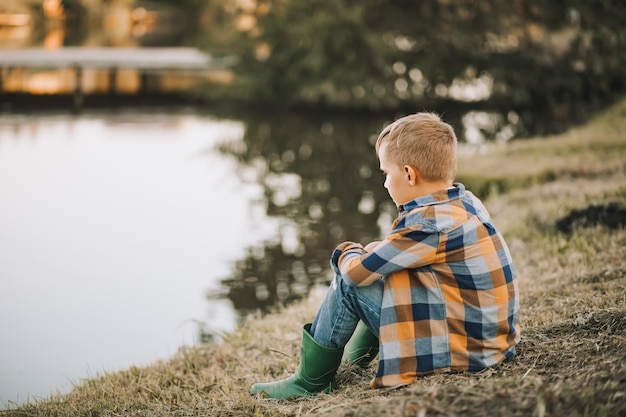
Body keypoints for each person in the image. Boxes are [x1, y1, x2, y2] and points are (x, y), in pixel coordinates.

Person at [250, 112, 520, 399]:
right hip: (489, 343)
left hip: (462, 353)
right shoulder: (461, 202)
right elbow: (412, 251)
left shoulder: (426, 224)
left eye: (385, 173)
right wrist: (381, 247)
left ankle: (309, 381)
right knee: (389, 269)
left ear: (408, 174)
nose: (384, 183)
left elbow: (355, 274)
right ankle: (356, 360)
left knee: (348, 283)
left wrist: (347, 251)